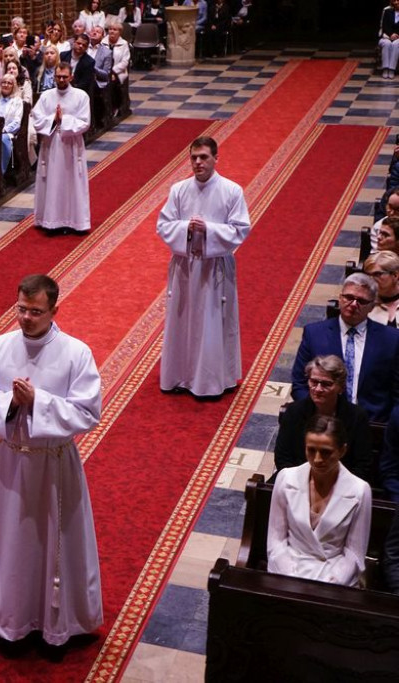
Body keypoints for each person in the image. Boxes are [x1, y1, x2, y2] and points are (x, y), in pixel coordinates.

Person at [0, 274, 103, 647]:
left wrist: (38, 402)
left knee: (58, 541)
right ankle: (12, 622)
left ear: (54, 310)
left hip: (55, 463)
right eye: (21, 310)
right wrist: (10, 403)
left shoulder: (76, 353)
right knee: (13, 543)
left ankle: (61, 625)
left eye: (36, 312)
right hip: (13, 461)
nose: (26, 318)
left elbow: (89, 412)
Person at [158, 136, 251, 398]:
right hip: (185, 266)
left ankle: (211, 381)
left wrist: (208, 230)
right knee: (182, 320)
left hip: (215, 268)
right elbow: (164, 225)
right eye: (193, 158)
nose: (198, 163)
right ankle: (179, 376)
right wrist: (185, 228)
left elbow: (240, 229)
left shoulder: (231, 190)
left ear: (215, 158)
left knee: (212, 323)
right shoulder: (178, 189)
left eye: (203, 157)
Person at [267, 415, 372, 587]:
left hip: (334, 580)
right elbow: (276, 541)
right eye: (311, 450)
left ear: (342, 451)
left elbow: (354, 553)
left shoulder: (360, 490)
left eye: (326, 452)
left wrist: (330, 583)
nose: (317, 459)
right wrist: (291, 576)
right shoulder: (286, 478)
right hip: (288, 573)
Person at [291, 273, 399, 424]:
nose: (354, 304)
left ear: (372, 306)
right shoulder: (314, 334)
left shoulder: (391, 339)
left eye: (361, 301)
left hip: (372, 424)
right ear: (340, 298)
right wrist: (317, 412)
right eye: (349, 297)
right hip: (323, 422)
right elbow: (299, 384)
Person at [273, 355, 371, 484]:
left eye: (326, 384)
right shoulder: (294, 411)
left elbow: (363, 465)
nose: (318, 389)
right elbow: (282, 457)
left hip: (342, 486)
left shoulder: (357, 417)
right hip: (296, 482)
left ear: (340, 387)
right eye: (314, 382)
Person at [30, 62, 92, 234]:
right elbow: (36, 118)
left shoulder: (81, 96)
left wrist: (63, 120)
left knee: (72, 182)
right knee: (52, 182)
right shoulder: (46, 96)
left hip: (71, 145)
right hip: (51, 145)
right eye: (58, 76)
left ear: (71, 77)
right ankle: (50, 221)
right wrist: (53, 120)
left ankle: (75, 221)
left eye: (65, 76)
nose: (61, 79)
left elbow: (85, 122)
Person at [0, 74, 24, 173]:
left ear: (13, 86)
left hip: (6, 132)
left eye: (9, 83)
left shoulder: (17, 101)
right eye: (4, 82)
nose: (6, 85)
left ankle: (0, 172)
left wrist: (3, 130)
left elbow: (17, 121)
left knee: (2, 139)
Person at [364, 250, 399, 327]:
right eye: (368, 275)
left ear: (395, 275)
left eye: (377, 274)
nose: (371, 280)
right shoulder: (363, 306)